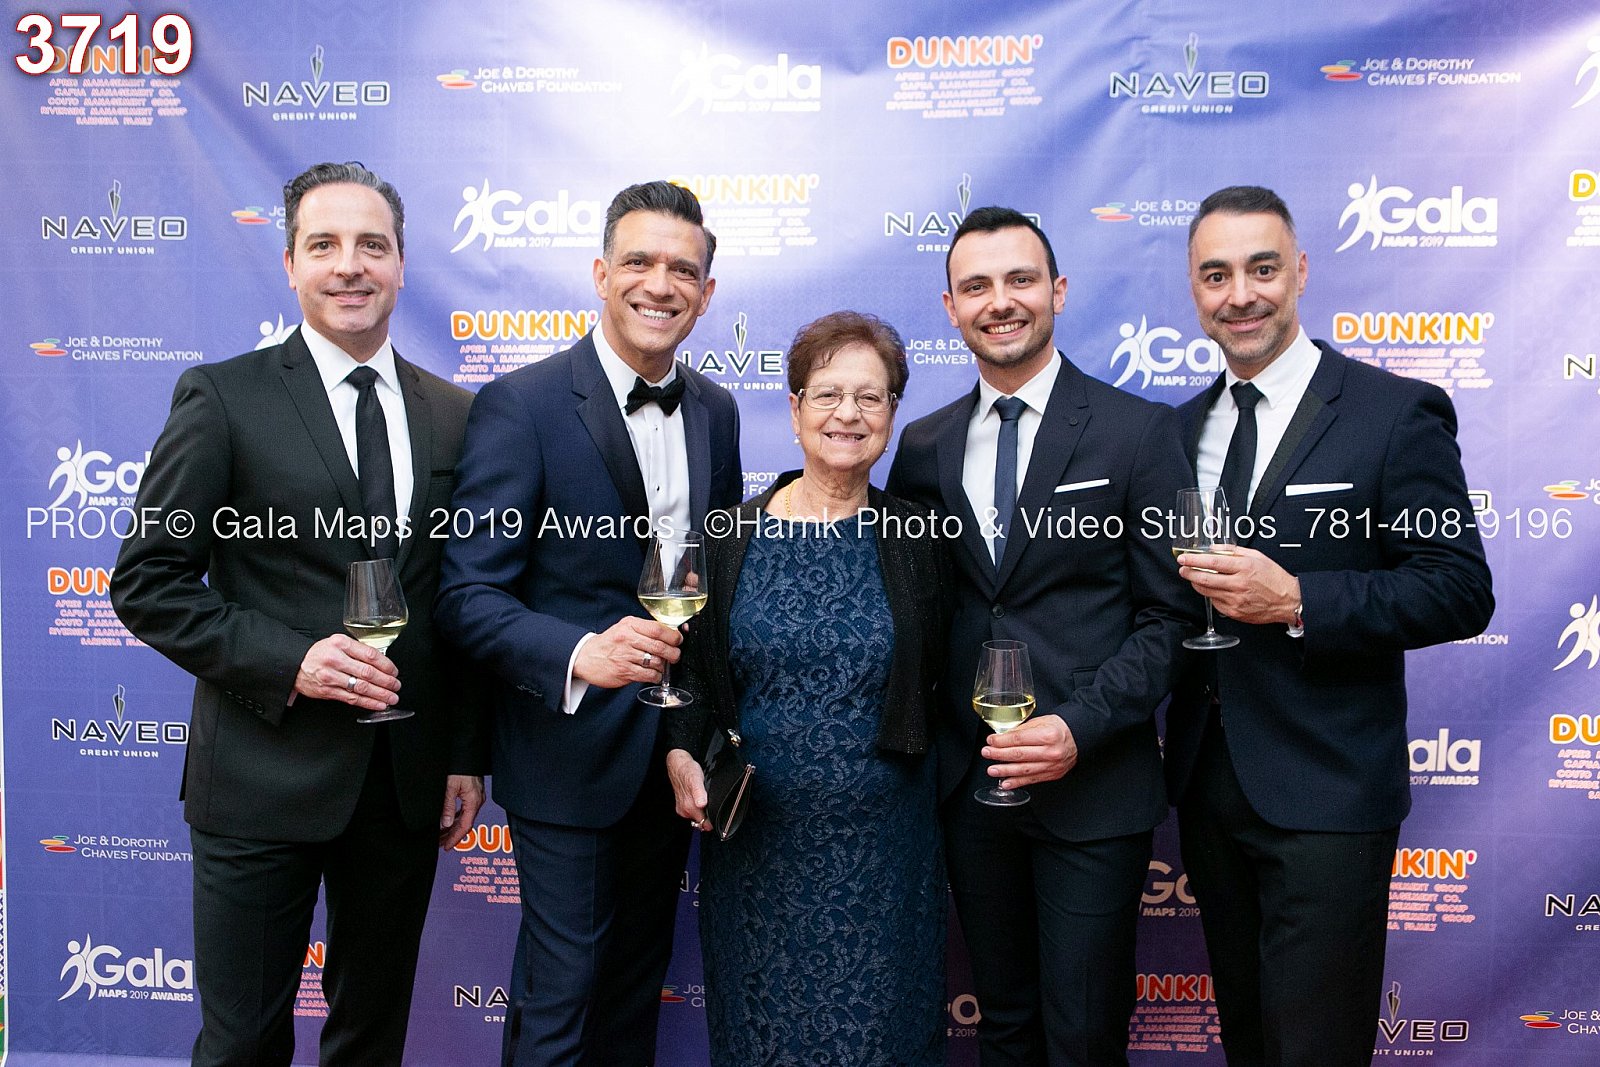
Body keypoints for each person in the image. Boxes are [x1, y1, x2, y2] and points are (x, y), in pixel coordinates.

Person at [110, 161, 487, 1065]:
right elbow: (148, 581)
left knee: (371, 1040)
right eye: (324, 245)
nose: (349, 264)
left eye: (372, 245)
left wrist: (464, 752)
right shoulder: (222, 396)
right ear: (289, 265)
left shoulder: (456, 414)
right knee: (242, 1043)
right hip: (258, 773)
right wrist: (294, 660)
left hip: (401, 784)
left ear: (402, 264)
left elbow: (463, 600)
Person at [1166, 185, 1494, 1067]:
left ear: (1301, 271)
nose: (1241, 294)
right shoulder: (1180, 430)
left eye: (1262, 268)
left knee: (1316, 1049)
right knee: (1249, 1042)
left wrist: (1299, 600)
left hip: (1329, 791)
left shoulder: (1394, 412)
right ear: (1194, 290)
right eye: (1216, 275)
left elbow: (1459, 587)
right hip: (1207, 784)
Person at [435, 180, 743, 1066]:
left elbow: (713, 592)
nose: (660, 283)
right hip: (565, 755)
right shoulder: (522, 404)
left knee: (631, 997)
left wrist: (694, 735)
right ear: (602, 275)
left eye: (682, 268)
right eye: (639, 261)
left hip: (672, 758)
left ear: (707, 293)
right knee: (561, 1002)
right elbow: (467, 594)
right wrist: (581, 651)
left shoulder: (717, 411)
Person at [887, 207, 1196, 1066]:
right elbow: (917, 609)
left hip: (1092, 788)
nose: (1000, 301)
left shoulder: (1139, 431)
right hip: (971, 789)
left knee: (1084, 1034)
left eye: (1020, 280)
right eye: (976, 286)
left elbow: (1171, 618)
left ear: (1057, 290)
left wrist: (1075, 729)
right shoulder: (924, 444)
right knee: (1005, 1024)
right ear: (950, 307)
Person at [666, 311, 947, 1066]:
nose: (847, 414)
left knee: (880, 1041)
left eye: (869, 397)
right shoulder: (725, 537)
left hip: (888, 852)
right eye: (826, 395)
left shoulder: (922, 539)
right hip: (757, 847)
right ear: (793, 411)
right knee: (764, 1038)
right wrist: (681, 752)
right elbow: (690, 675)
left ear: (892, 414)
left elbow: (947, 673)